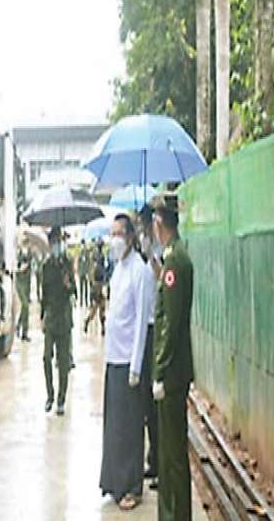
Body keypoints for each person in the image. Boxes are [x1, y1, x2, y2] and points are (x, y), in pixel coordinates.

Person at [99, 214, 156, 511]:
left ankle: (132, 486)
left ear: (131, 237)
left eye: (119, 233)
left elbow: (142, 322)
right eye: (112, 233)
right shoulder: (118, 270)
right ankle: (114, 482)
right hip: (113, 358)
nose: (115, 239)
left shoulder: (140, 272)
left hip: (129, 363)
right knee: (115, 426)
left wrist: (136, 366)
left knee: (131, 426)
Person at [152, 205, 194, 521]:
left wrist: (160, 369)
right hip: (174, 370)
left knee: (173, 454)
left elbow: (171, 323)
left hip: (173, 372)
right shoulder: (171, 258)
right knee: (168, 452)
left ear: (159, 223)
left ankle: (176, 514)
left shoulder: (175, 260)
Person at [40, 226, 75, 416]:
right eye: (54, 242)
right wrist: (42, 316)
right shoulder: (46, 266)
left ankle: (61, 400)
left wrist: (68, 284)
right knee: (46, 357)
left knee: (63, 363)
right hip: (51, 317)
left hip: (64, 318)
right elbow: (43, 293)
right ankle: (50, 395)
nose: (56, 245)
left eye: (58, 241)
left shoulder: (67, 262)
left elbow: (74, 290)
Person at [138, 206, 161, 486]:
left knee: (155, 406)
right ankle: (153, 459)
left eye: (145, 226)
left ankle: (159, 462)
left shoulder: (163, 257)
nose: (143, 233)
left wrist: (156, 266)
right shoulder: (147, 257)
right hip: (147, 330)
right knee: (148, 404)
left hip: (156, 331)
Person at [84, 239, 107, 335]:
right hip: (96, 285)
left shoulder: (100, 257)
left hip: (99, 284)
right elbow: (92, 272)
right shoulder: (95, 257)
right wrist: (94, 284)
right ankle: (87, 321)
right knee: (96, 308)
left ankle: (102, 327)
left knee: (101, 307)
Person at [16, 245, 33, 341]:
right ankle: (23, 332)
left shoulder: (30, 253)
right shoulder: (17, 253)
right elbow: (16, 268)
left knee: (25, 308)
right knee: (25, 306)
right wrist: (21, 267)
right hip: (20, 283)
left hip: (27, 284)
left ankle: (20, 328)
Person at [77, 239, 90, 307]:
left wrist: (88, 272)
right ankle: (81, 302)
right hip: (81, 273)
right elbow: (78, 263)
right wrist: (78, 272)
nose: (82, 245)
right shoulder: (80, 253)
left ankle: (86, 301)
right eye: (82, 244)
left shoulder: (87, 252)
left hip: (85, 273)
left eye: (83, 244)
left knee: (86, 288)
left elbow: (88, 263)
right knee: (81, 288)